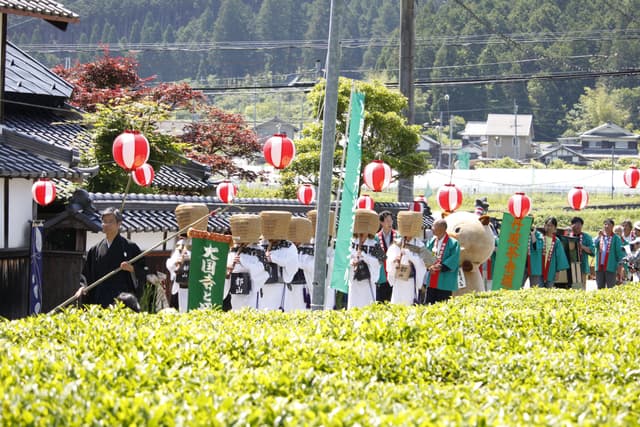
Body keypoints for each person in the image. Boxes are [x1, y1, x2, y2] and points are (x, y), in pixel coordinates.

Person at [80, 207, 147, 308]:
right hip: (99, 297)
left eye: (110, 221)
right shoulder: (95, 250)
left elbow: (144, 269)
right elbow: (86, 274)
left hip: (121, 299)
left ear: (119, 224)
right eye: (104, 221)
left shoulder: (130, 247)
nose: (106, 225)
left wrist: (132, 268)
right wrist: (83, 287)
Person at [424, 219, 460, 304]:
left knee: (443, 306)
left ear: (442, 228)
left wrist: (441, 266)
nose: (432, 228)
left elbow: (454, 258)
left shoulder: (453, 243)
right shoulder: (431, 241)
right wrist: (429, 267)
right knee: (428, 306)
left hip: (445, 281)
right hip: (432, 279)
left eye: (434, 226)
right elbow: (426, 255)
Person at [594, 218, 626, 289]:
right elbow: (594, 246)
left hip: (610, 267)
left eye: (608, 224)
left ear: (612, 226)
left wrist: (619, 268)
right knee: (600, 288)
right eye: (605, 224)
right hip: (599, 268)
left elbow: (620, 254)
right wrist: (598, 236)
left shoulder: (616, 238)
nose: (606, 226)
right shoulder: (601, 237)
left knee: (611, 288)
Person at [539, 216, 569, 288]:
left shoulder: (556, 241)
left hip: (551, 270)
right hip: (539, 269)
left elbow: (559, 257)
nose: (549, 227)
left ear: (555, 228)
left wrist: (558, 272)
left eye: (551, 225)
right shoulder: (540, 238)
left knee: (549, 290)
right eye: (547, 225)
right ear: (544, 226)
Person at [375, 211, 397, 303]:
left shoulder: (397, 236)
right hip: (382, 274)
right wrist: (387, 258)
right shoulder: (376, 237)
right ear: (381, 223)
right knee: (380, 302)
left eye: (391, 221)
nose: (390, 223)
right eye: (387, 221)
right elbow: (376, 253)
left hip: (394, 273)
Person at [567, 216, 595, 288]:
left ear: (582, 226)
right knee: (571, 286)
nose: (577, 226)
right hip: (569, 266)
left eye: (579, 224)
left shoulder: (586, 237)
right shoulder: (567, 236)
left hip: (582, 266)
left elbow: (592, 250)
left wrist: (582, 247)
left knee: (582, 287)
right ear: (571, 225)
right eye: (575, 224)